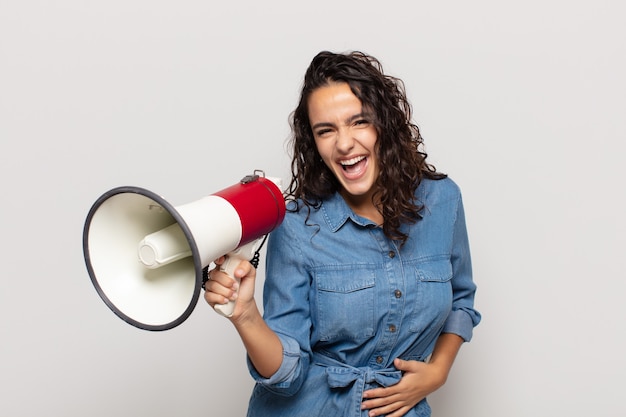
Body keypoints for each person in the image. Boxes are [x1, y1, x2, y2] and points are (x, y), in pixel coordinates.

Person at [204, 50, 481, 417]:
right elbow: (286, 374)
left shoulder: (443, 201)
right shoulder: (297, 226)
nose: (344, 143)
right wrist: (246, 316)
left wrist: (437, 372)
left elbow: (460, 300)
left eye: (358, 122)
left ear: (385, 123)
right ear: (314, 144)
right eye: (326, 130)